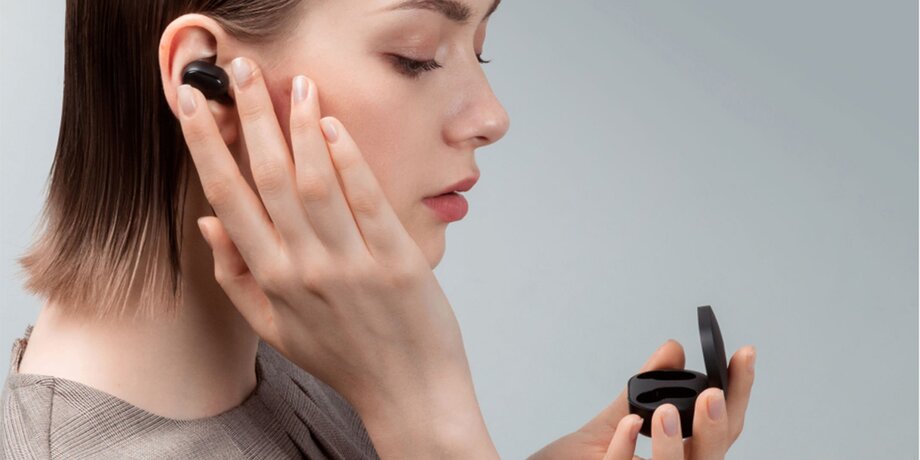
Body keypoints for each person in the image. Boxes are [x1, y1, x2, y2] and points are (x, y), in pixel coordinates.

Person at [1, 1, 756, 459]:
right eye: (416, 55)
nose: (492, 116)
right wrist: (427, 416)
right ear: (209, 81)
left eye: (480, 48)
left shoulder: (307, 355)